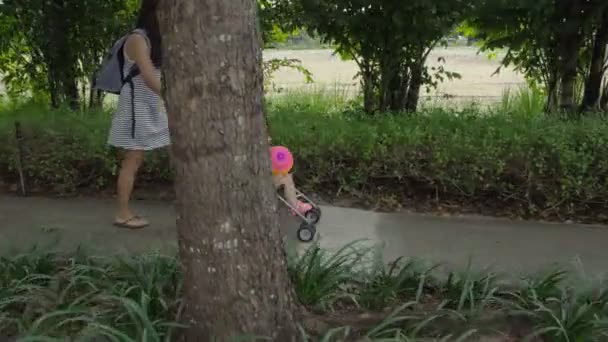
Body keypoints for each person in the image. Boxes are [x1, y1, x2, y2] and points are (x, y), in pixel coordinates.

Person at [108, 0, 169, 229]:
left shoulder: (156, 38)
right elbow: (149, 77)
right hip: (137, 106)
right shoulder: (138, 39)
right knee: (133, 159)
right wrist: (175, 99)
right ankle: (122, 214)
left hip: (153, 104)